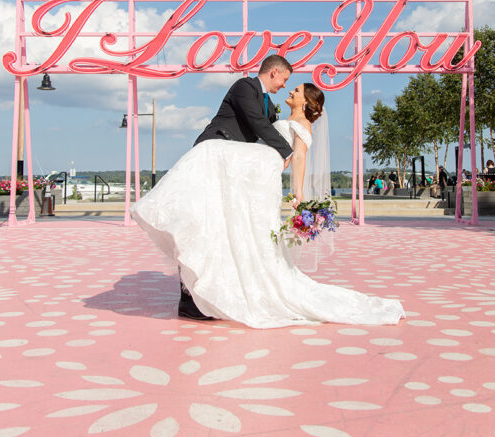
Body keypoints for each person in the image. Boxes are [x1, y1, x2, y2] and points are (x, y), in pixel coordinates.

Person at [131, 56, 404, 328]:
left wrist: (297, 193)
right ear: (274, 72)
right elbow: (256, 123)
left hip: (244, 179)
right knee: (199, 226)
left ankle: (212, 295)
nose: (286, 87)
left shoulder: (278, 112)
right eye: (285, 81)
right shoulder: (245, 87)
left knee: (226, 235)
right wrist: (285, 150)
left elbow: (293, 154)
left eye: (293, 88)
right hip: (217, 158)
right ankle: (191, 300)